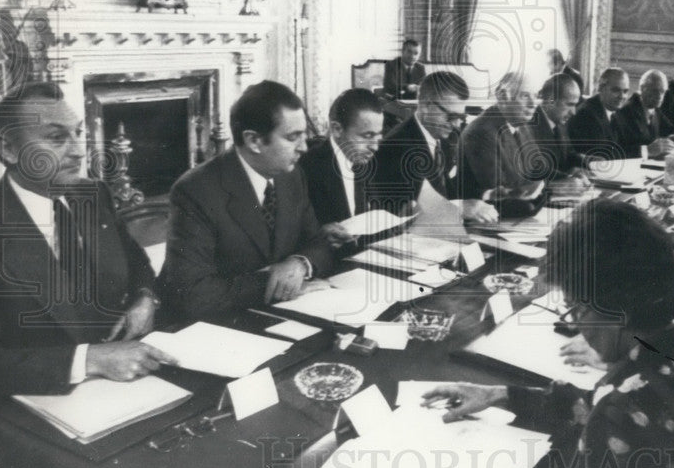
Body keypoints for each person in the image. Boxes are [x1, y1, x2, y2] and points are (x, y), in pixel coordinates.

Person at [423, 200, 674, 468]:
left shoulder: (617, 413)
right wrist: (499, 395)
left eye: (577, 308)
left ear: (617, 311)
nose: (574, 322)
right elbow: (602, 403)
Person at [0, 82, 174, 396]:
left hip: (128, 385)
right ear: (8, 148)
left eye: (78, 133)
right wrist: (87, 360)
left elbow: (137, 262)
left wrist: (144, 299)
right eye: (57, 137)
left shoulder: (93, 194)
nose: (78, 151)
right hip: (40, 404)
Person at [159, 81, 335, 322]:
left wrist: (300, 264)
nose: (304, 147)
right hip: (220, 329)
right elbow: (195, 295)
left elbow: (319, 243)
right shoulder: (195, 191)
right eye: (293, 137)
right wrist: (279, 284)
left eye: (304, 135)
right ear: (254, 141)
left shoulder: (292, 176)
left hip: (280, 318)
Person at [368, 72, 498, 223]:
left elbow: (448, 195)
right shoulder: (395, 147)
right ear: (426, 106)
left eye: (460, 118)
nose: (456, 125)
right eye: (450, 117)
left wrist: (487, 195)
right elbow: (405, 214)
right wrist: (460, 207)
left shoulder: (440, 140)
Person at [298, 89, 384, 254]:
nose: (375, 146)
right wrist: (320, 235)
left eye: (378, 136)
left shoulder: (363, 159)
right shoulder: (307, 168)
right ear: (337, 129)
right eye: (367, 136)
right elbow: (298, 236)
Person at [460, 71, 545, 207]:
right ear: (502, 96)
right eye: (524, 95)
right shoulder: (481, 132)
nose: (533, 103)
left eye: (535, 96)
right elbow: (501, 193)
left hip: (522, 214)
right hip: (491, 219)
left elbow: (540, 169)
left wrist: (566, 181)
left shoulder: (522, 126)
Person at [526, 73, 586, 181]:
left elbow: (569, 154)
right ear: (550, 100)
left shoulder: (559, 122)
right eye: (569, 105)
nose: (574, 112)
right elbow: (536, 170)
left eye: (575, 105)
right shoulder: (529, 125)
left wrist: (589, 161)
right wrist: (567, 177)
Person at [613, 70, 674, 159]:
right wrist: (647, 150)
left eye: (663, 92)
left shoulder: (655, 109)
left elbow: (670, 129)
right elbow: (616, 150)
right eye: (655, 91)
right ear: (642, 88)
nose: (659, 96)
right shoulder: (625, 111)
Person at [567, 68, 629, 159]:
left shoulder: (618, 112)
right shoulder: (586, 114)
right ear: (600, 88)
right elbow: (604, 154)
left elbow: (623, 145)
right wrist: (644, 151)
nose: (622, 96)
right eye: (616, 90)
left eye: (625, 91)